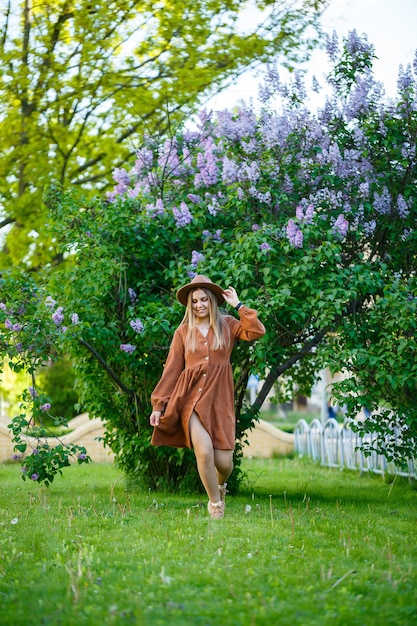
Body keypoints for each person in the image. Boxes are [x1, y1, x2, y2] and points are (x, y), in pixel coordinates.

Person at [149, 275, 266, 519]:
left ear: (212, 301)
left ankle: (220, 487)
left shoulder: (229, 325)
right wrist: (159, 406)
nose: (199, 304)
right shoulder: (183, 332)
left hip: (220, 401)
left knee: (224, 464)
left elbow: (256, 331)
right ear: (189, 305)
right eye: (194, 301)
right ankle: (215, 505)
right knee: (203, 452)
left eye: (203, 299)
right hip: (190, 400)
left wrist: (238, 305)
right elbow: (171, 370)